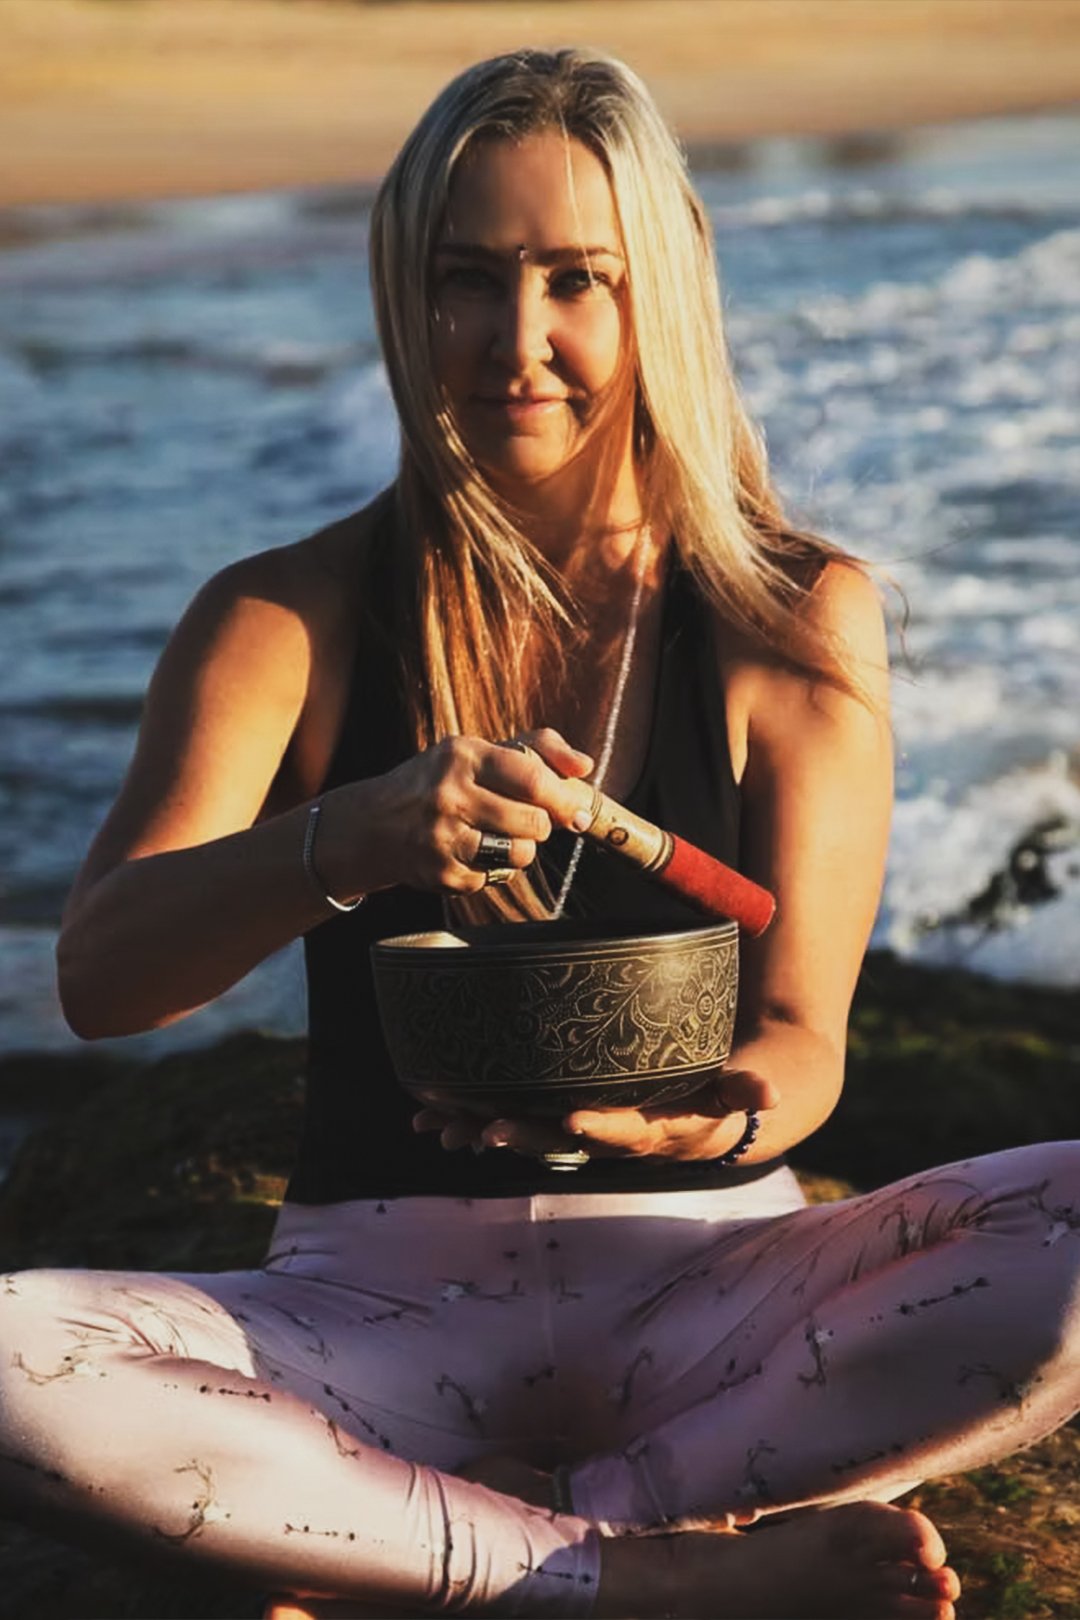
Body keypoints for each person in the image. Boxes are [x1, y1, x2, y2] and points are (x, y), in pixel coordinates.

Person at [2, 46, 1077, 1620]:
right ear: (404, 292)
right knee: (14, 1359)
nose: (520, 341)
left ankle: (495, 1539)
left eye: (579, 279)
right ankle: (637, 1578)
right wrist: (347, 839)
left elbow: (804, 1042)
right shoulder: (283, 618)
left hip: (711, 1294)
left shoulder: (790, 614)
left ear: (663, 293)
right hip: (378, 1315)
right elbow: (103, 979)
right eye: (468, 279)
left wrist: (707, 1128)